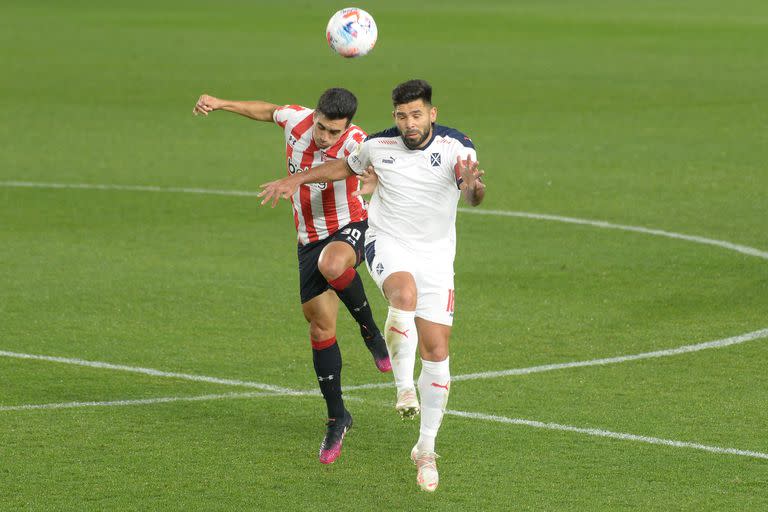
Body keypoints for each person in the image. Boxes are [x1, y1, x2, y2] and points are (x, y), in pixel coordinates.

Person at [258, 79, 486, 492]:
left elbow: (470, 188)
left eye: (416, 115)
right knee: (403, 295)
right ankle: (402, 389)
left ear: (431, 114)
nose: (409, 123)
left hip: (437, 258)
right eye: (401, 116)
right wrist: (298, 180)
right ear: (394, 116)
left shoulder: (457, 146)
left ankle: (426, 448)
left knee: (437, 350)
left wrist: (473, 187)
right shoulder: (378, 146)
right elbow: (345, 167)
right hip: (388, 243)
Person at [193, 88, 392, 465]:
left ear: (346, 127)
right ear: (314, 114)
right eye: (321, 128)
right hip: (308, 239)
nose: (325, 137)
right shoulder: (295, 120)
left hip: (349, 224)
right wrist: (223, 103)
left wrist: (299, 181)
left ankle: (372, 333)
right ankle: (338, 418)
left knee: (333, 266)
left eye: (334, 132)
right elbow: (267, 110)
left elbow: (361, 171)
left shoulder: (358, 142)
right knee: (320, 329)